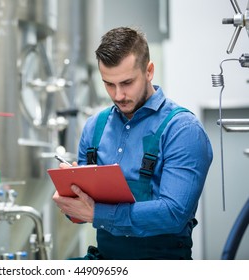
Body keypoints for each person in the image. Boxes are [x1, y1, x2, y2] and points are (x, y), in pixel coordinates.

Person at [52, 27, 213, 260]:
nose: (118, 95)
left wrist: (98, 213)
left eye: (127, 82)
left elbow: (173, 213)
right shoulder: (94, 127)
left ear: (149, 71)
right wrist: (71, 200)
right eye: (109, 84)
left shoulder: (182, 130)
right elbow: (81, 214)